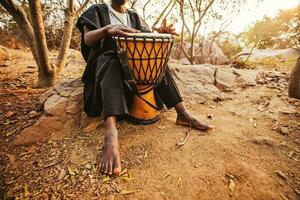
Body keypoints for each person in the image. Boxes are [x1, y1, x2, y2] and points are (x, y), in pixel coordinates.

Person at [76, 0, 213, 176]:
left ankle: (182, 113)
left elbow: (146, 39)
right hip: (105, 70)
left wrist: (159, 32)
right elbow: (87, 39)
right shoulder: (98, 10)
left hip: (131, 72)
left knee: (158, 60)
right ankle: (111, 133)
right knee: (110, 60)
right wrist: (106, 30)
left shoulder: (133, 16)